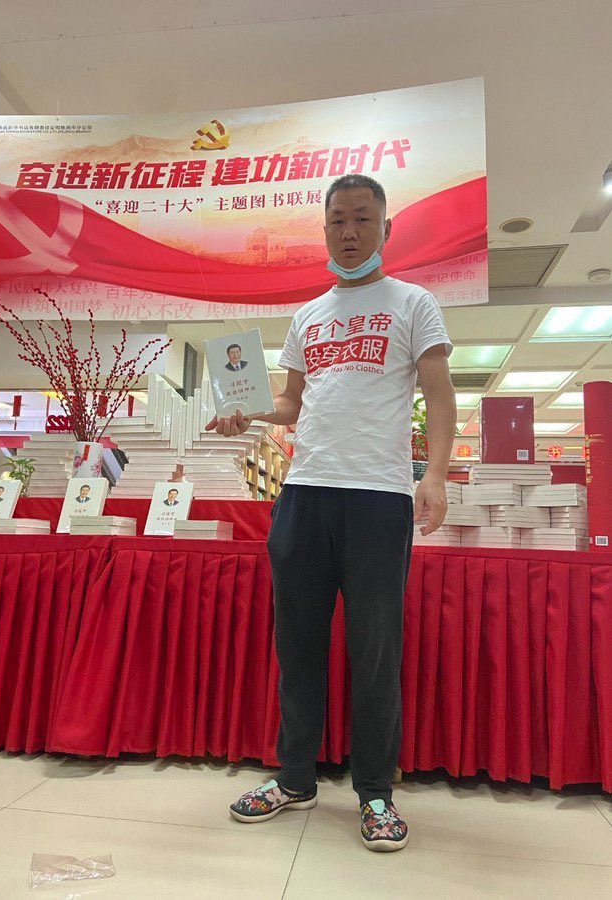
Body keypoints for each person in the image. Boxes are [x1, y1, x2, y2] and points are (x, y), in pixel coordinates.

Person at [206, 174, 455, 852]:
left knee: (374, 651)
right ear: (324, 229)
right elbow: (292, 404)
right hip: (303, 494)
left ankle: (374, 791)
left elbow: (438, 394)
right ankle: (294, 778)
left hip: (377, 497)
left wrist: (433, 475)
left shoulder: (413, 303)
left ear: (385, 228)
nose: (349, 232)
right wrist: (248, 412)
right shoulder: (308, 315)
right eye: (338, 220)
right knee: (297, 647)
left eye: (362, 219)